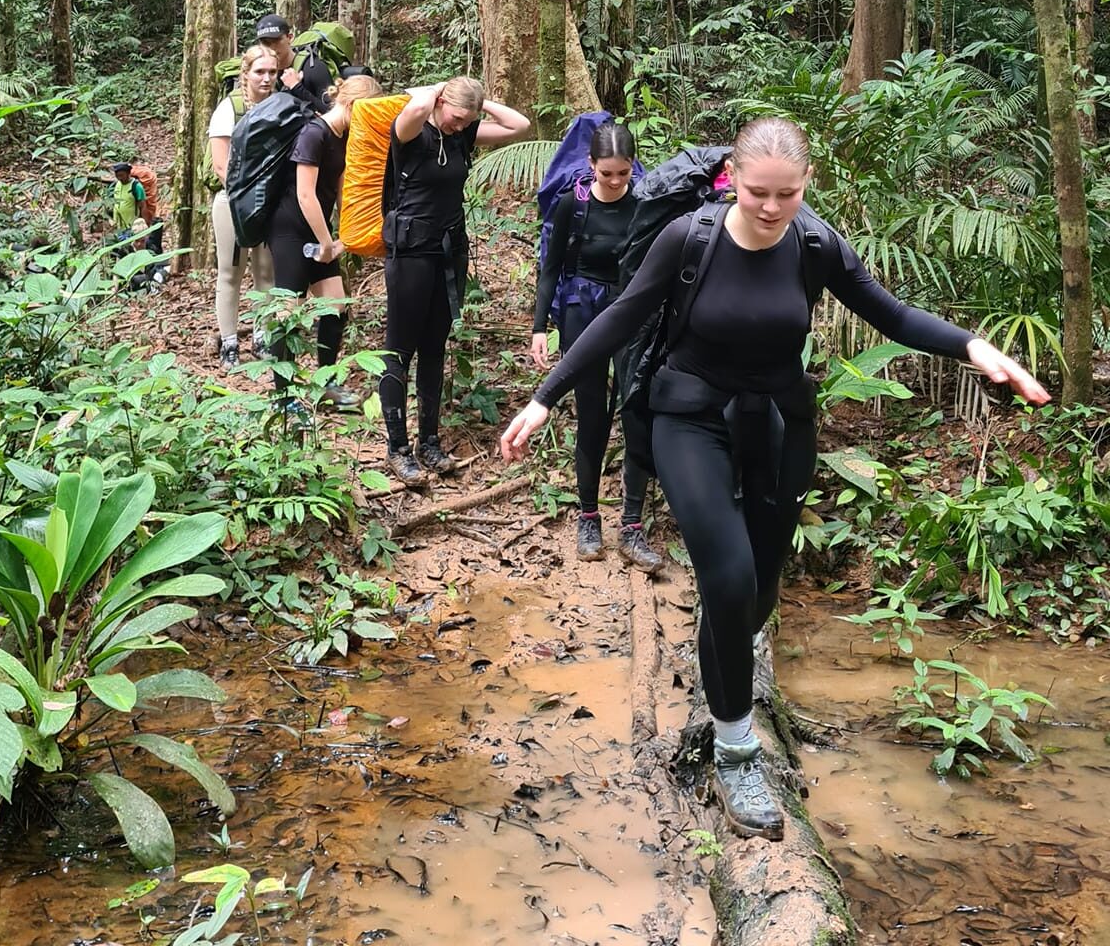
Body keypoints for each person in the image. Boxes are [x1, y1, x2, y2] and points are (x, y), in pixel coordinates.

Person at [501, 116, 1048, 842]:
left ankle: (722, 651)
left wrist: (974, 346)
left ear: (805, 186)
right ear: (733, 178)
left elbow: (891, 313)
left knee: (755, 595)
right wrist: (545, 399)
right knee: (726, 581)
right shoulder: (689, 238)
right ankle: (735, 751)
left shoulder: (815, 245)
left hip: (779, 425)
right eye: (757, 192)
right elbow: (621, 317)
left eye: (786, 194)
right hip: (689, 417)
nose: (769, 207)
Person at [381, 77, 531, 487]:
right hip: (410, 250)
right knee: (400, 348)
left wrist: (479, 105)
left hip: (448, 250)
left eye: (468, 121)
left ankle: (428, 440)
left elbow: (520, 126)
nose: (459, 126)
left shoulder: (463, 133)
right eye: (455, 117)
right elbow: (413, 111)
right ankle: (397, 447)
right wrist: (435, 92)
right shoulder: (412, 132)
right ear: (441, 102)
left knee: (434, 346)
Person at [531, 122, 660, 573]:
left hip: (630, 312)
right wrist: (539, 327)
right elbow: (550, 269)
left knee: (635, 410)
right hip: (581, 312)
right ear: (591, 166)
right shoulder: (574, 204)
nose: (615, 182)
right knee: (591, 412)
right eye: (606, 173)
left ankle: (632, 524)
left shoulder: (645, 205)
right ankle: (588, 517)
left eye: (623, 173)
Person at [267, 73, 383, 388]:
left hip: (320, 231)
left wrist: (346, 234)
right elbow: (305, 195)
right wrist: (326, 242)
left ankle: (326, 383)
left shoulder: (344, 137)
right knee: (288, 314)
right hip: (290, 229)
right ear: (350, 103)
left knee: (336, 307)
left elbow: (342, 190)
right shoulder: (313, 134)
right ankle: (284, 396)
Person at [207, 45, 277, 368]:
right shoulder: (229, 108)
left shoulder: (280, 104)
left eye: (272, 72)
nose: (266, 78)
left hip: (269, 202)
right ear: (245, 74)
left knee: (266, 271)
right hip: (233, 203)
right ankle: (230, 343)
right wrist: (245, 202)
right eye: (260, 72)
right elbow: (221, 166)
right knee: (230, 272)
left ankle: (263, 337)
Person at [256, 13, 333, 115]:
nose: (272, 47)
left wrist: (297, 87)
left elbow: (333, 112)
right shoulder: (258, 73)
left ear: (290, 37)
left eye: (277, 40)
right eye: (266, 42)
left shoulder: (313, 68)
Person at [111, 163, 145, 235]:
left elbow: (143, 205)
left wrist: (143, 224)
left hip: (132, 225)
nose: (120, 178)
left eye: (122, 175)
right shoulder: (117, 184)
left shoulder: (136, 186)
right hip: (118, 225)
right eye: (117, 176)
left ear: (128, 174)